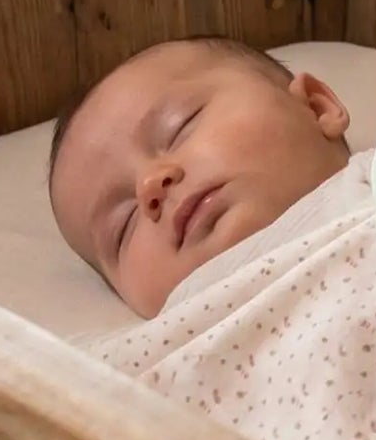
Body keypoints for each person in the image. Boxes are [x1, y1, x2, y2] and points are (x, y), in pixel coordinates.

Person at [49, 37, 353, 316]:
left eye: (179, 126)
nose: (150, 185)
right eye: (123, 226)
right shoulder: (163, 346)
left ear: (316, 107)